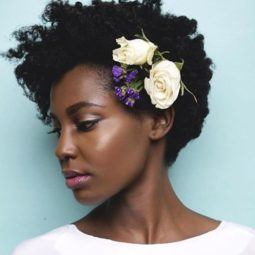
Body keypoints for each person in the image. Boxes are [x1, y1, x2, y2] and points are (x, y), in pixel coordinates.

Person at [2, 0, 255, 254]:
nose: (62, 149)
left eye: (86, 124)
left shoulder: (242, 246)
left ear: (159, 121)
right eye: (57, 130)